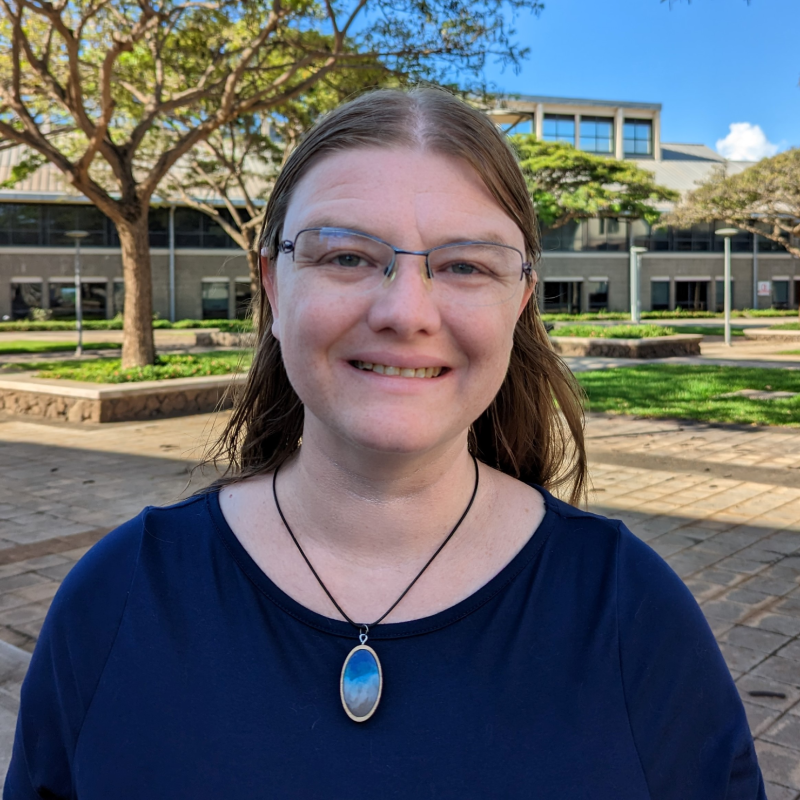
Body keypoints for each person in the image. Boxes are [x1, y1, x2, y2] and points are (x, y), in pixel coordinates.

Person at [5, 88, 764, 799]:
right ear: (273, 287)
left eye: (465, 265)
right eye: (346, 256)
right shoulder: (118, 597)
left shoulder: (634, 615)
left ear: (520, 301)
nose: (406, 311)